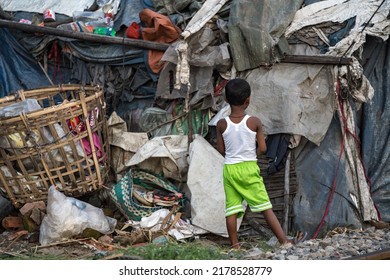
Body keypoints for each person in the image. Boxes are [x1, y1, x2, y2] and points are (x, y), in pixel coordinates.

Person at [216, 78, 306, 249]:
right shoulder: (254, 122)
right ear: (248, 100)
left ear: (226, 100)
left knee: (232, 209)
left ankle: (235, 246)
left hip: (230, 169)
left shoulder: (221, 124)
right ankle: (284, 242)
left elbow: (221, 150)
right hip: (249, 167)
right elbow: (263, 148)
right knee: (265, 207)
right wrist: (252, 154)